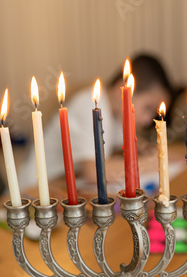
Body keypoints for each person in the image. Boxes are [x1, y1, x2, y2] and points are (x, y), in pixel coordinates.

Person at [18, 54, 173, 190]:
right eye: (148, 108)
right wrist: (152, 164)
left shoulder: (117, 115)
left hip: (63, 187)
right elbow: (93, 172)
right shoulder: (90, 106)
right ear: (124, 88)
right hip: (35, 191)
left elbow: (125, 145)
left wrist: (153, 150)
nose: (148, 120)